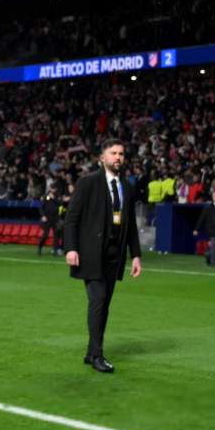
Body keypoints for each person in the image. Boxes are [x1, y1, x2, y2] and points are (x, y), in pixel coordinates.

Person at [64, 139, 142, 373]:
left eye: (121, 153)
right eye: (113, 153)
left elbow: (131, 226)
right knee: (98, 301)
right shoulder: (88, 182)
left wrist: (136, 255)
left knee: (104, 304)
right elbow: (72, 218)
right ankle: (97, 355)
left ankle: (91, 352)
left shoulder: (127, 187)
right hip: (90, 254)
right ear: (102, 157)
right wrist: (71, 248)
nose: (118, 157)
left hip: (114, 255)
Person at [193, 188, 215, 266]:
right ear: (212, 197)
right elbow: (201, 219)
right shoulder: (207, 208)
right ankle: (214, 262)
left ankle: (208, 254)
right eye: (214, 196)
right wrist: (196, 229)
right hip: (212, 230)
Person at [36, 187, 61, 255]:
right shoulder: (46, 196)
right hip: (47, 218)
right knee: (45, 235)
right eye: (51, 188)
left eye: (54, 188)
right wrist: (43, 216)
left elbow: (60, 204)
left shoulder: (57, 196)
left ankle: (55, 250)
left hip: (55, 218)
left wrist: (53, 198)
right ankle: (40, 247)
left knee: (56, 235)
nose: (53, 190)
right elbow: (41, 207)